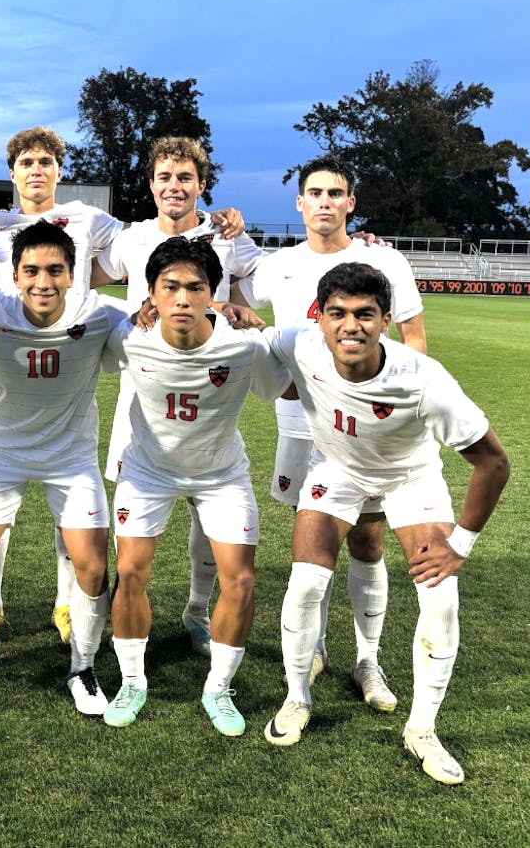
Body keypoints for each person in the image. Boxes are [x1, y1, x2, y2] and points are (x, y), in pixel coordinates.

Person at [262, 263, 509, 785]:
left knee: (441, 598)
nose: (350, 326)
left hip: (409, 478)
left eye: (364, 314)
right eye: (338, 314)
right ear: (319, 318)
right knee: (306, 583)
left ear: (385, 319)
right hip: (337, 470)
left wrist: (460, 545)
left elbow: (494, 462)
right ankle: (296, 698)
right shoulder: (300, 345)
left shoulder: (424, 380)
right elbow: (233, 329)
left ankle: (422, 729)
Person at [244, 156, 426, 710]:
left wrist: (378, 400)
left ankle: (367, 660)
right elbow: (234, 303)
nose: (324, 201)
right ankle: (316, 647)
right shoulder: (276, 266)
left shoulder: (383, 259)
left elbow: (414, 341)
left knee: (368, 540)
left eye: (336, 193)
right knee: (313, 540)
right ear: (299, 204)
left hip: (365, 431)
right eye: (314, 193)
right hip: (299, 427)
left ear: (351, 203)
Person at [0, 220, 126, 718]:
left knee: (92, 564)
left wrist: (223, 311)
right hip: (2, 456)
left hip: (71, 457)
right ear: (14, 276)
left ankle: (83, 668)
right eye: (31, 270)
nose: (43, 282)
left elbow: (160, 321)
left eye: (55, 270)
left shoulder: (99, 314)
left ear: (72, 275)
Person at [103, 237, 288, 733]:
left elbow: (281, 385)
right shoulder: (127, 336)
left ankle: (219, 688)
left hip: (220, 474)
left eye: (195, 287)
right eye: (170, 288)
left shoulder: (244, 344)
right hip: (147, 471)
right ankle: (132, 680)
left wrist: (258, 324)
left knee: (242, 580)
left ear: (213, 292)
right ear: (151, 294)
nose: (182, 299)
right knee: (129, 573)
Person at [94, 135, 264, 657]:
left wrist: (236, 309)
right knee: (134, 520)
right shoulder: (130, 238)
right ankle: (113, 612)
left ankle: (195, 608)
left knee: (204, 510)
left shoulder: (228, 235)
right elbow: (90, 279)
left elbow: (267, 279)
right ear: (151, 186)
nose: (175, 187)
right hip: (143, 393)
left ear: (201, 185)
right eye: (165, 178)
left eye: (185, 178)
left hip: (208, 394)